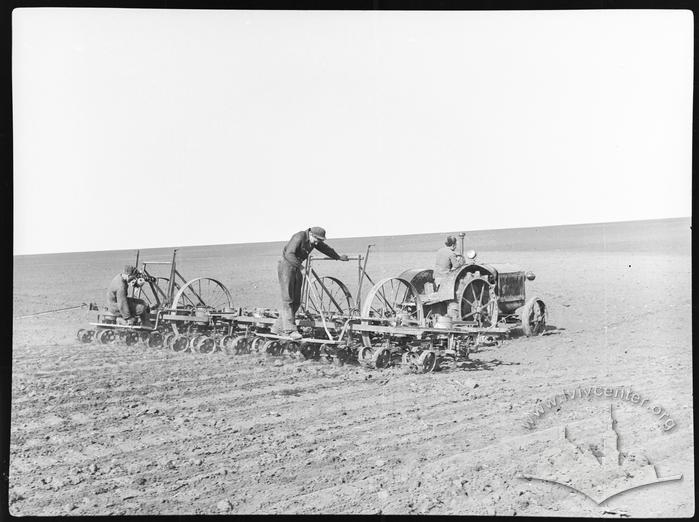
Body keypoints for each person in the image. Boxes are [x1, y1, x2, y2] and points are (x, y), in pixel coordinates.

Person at [271, 227, 349, 339]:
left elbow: (325, 249)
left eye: (319, 241)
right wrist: (301, 267)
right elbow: (289, 254)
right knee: (288, 299)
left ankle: (278, 327)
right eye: (316, 240)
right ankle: (289, 330)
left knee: (297, 301)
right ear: (311, 234)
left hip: (297, 266)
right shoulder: (299, 236)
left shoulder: (314, 241)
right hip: (286, 266)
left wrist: (338, 257)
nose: (317, 243)